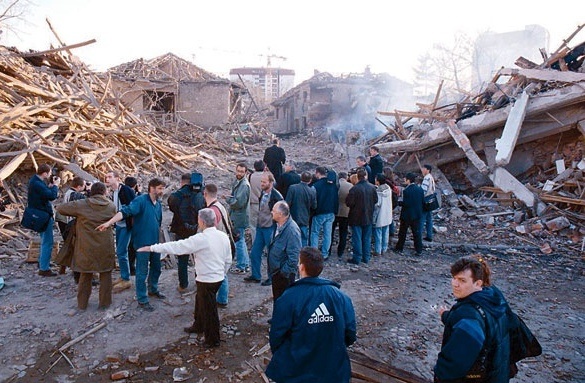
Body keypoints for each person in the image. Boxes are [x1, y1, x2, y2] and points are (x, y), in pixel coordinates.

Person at [139, 208, 231, 348]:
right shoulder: (223, 236)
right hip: (216, 277)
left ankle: (213, 340)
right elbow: (228, 259)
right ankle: (198, 325)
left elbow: (178, 246)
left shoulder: (202, 238)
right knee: (200, 301)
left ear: (201, 221)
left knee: (209, 310)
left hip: (207, 279)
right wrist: (222, 273)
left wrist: (152, 248)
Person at [266, 247, 357, 383]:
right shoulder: (340, 297)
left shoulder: (288, 298)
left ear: (301, 267)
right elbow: (350, 333)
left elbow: (277, 336)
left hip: (297, 369)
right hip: (333, 369)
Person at [434, 255, 511, 383]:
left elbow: (454, 364)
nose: (455, 284)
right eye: (454, 278)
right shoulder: (493, 298)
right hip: (497, 373)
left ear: (477, 283)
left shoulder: (469, 316)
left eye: (462, 280)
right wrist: (446, 316)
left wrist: (440, 375)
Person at [97, 178, 166, 312]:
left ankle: (153, 289)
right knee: (141, 272)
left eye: (163, 188)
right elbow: (124, 212)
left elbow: (158, 223)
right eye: (160, 188)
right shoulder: (140, 201)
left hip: (155, 244)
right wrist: (109, 223)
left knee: (157, 268)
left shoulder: (158, 204)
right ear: (152, 188)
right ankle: (142, 298)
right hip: (141, 243)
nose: (162, 191)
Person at [56, 182, 116, 310]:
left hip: (85, 246)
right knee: (106, 274)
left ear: (91, 192)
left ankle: (82, 304)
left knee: (85, 274)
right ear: (105, 192)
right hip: (105, 246)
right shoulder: (111, 206)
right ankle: (104, 304)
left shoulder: (81, 204)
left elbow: (60, 208)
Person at [168, 173, 206, 292]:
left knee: (182, 260)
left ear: (182, 182)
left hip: (181, 230)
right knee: (199, 258)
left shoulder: (177, 195)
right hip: (196, 230)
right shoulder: (200, 194)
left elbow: (171, 205)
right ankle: (200, 282)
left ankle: (183, 285)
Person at [244, 173, 282, 285]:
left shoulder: (276, 196)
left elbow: (282, 213)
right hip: (261, 226)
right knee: (255, 252)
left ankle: (272, 277)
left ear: (271, 183)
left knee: (271, 254)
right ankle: (256, 275)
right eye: (261, 182)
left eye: (264, 182)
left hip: (270, 227)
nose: (261, 184)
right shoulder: (263, 193)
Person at [105, 171, 136, 292]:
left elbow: (132, 207)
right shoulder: (114, 192)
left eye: (109, 177)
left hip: (125, 225)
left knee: (121, 251)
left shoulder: (126, 190)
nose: (107, 179)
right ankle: (124, 276)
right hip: (119, 224)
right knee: (120, 251)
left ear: (117, 178)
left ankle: (126, 278)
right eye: (106, 177)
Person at [28, 164, 60, 277]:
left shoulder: (35, 181)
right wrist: (55, 186)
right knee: (47, 241)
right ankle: (44, 268)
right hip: (43, 215)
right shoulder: (37, 183)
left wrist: (50, 186)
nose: (51, 175)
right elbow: (51, 196)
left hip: (39, 214)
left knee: (44, 240)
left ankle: (43, 263)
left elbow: (44, 194)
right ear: (45, 173)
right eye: (49, 173)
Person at [267, 201, 302, 301]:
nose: (271, 212)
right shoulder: (277, 225)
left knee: (285, 302)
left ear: (280, 214)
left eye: (273, 211)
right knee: (277, 299)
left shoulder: (292, 231)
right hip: (277, 272)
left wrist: (283, 273)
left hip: (284, 276)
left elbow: (294, 257)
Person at [55, 176, 88, 279]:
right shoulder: (75, 195)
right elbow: (86, 202)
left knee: (69, 246)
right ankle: (77, 271)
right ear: (79, 186)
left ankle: (63, 268)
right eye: (83, 185)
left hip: (65, 221)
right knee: (74, 247)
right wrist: (90, 191)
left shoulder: (68, 192)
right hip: (71, 223)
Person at [204, 183, 231, 308]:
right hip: (224, 243)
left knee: (220, 273)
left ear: (205, 194)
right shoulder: (220, 206)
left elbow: (209, 232)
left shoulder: (211, 211)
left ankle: (220, 299)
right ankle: (222, 298)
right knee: (222, 272)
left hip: (216, 246)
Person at [346, 168, 378, 265]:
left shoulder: (354, 189)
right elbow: (376, 200)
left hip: (356, 217)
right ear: (366, 176)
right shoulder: (372, 188)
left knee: (357, 238)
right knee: (367, 238)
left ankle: (357, 258)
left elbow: (349, 203)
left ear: (357, 177)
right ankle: (366, 257)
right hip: (368, 216)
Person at [225, 163, 250, 274]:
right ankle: (245, 264)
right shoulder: (238, 182)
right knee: (241, 240)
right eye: (238, 171)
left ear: (245, 172)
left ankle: (241, 266)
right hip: (238, 215)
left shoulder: (244, 185)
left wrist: (227, 199)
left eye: (241, 171)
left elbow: (238, 202)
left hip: (239, 217)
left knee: (239, 241)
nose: (239, 173)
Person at [310, 167, 338, 260]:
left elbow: (313, 200)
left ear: (317, 173)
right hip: (331, 212)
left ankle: (314, 254)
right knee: (327, 233)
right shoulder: (333, 185)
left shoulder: (316, 186)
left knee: (315, 233)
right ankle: (325, 254)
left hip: (319, 212)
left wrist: (313, 210)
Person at [394, 172, 424, 255]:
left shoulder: (406, 190)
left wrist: (399, 203)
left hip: (407, 214)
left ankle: (399, 248)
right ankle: (419, 249)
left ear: (408, 180)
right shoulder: (420, 189)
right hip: (417, 214)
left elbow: (406, 203)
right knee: (416, 233)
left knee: (402, 232)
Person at [285, 171, 317, 247]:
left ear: (300, 178)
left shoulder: (292, 188)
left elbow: (287, 203)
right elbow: (314, 206)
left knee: (291, 239)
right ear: (310, 180)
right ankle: (303, 256)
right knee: (303, 239)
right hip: (305, 218)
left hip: (292, 217)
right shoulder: (312, 191)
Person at [331, 171, 351, 258]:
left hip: (334, 211)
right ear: (346, 177)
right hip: (345, 212)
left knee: (330, 231)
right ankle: (340, 251)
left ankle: (328, 248)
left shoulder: (334, 185)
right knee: (343, 232)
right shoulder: (350, 186)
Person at [124, 176, 140, 276]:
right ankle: (132, 267)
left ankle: (129, 266)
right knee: (133, 247)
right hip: (134, 224)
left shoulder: (121, 192)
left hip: (123, 223)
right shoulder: (135, 196)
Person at [373, 174, 392, 256]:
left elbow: (377, 205)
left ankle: (378, 250)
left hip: (380, 215)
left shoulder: (379, 192)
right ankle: (384, 248)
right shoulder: (388, 188)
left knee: (378, 233)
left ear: (378, 181)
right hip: (387, 214)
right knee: (385, 232)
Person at [248, 160, 266, 242]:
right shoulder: (267, 176)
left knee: (253, 226)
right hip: (265, 204)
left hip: (253, 204)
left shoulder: (250, 176)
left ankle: (255, 243)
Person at [420, 164, 436, 242]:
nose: (422, 170)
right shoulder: (431, 178)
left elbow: (423, 191)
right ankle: (429, 235)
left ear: (427, 170)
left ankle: (418, 235)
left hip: (426, 199)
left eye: (423, 168)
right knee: (429, 219)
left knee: (422, 218)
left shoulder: (426, 178)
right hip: (431, 199)